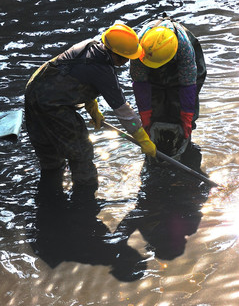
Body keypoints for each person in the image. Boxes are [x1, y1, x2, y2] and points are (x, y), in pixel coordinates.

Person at [25, 23, 156, 204]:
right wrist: (142, 137)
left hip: (34, 90)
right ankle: (85, 197)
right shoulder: (103, 70)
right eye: (125, 58)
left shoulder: (90, 45)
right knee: (81, 151)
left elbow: (76, 74)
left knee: (50, 155)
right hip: (53, 106)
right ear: (114, 54)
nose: (127, 62)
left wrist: (91, 105)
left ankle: (49, 197)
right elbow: (123, 111)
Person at [130, 13, 207, 158]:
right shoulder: (139, 47)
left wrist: (186, 117)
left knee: (182, 110)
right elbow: (140, 84)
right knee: (155, 110)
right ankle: (154, 148)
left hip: (183, 72)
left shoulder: (184, 48)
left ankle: (185, 145)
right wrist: (145, 116)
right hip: (149, 67)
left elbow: (188, 85)